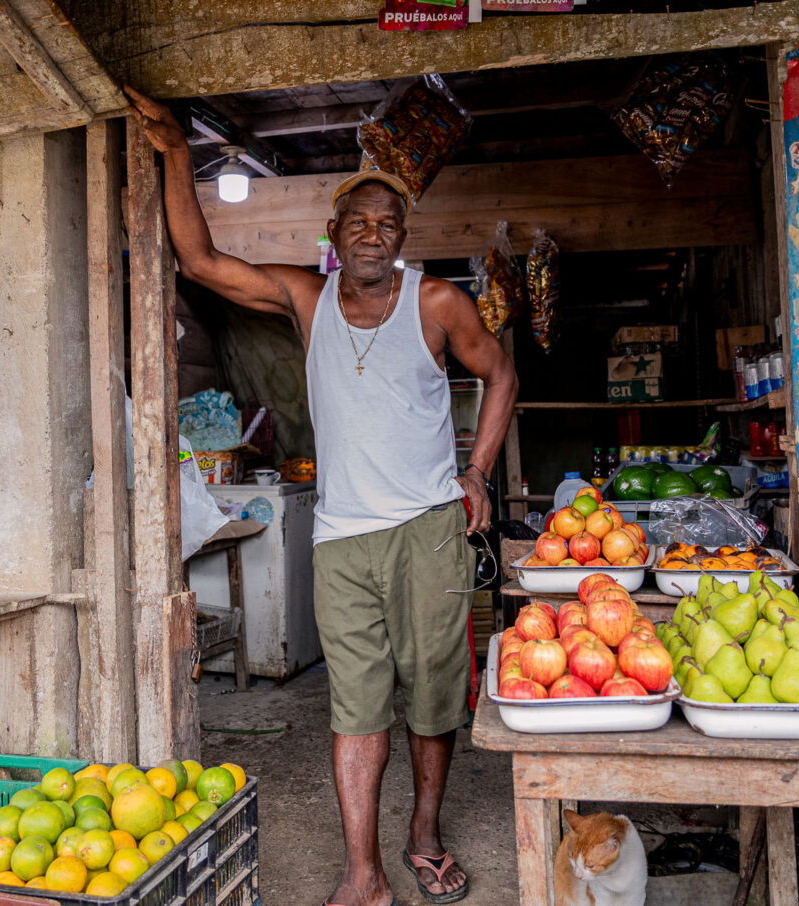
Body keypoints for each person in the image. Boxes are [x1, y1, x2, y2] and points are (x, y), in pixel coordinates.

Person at [127, 87, 518, 906]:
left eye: (387, 225)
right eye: (358, 223)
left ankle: (424, 834)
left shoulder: (438, 302)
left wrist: (477, 469)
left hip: (428, 530)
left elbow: (501, 372)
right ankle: (362, 874)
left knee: (435, 692)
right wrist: (173, 151)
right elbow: (199, 262)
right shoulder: (307, 298)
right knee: (357, 703)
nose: (373, 235)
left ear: (401, 239)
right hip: (342, 537)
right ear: (335, 237)